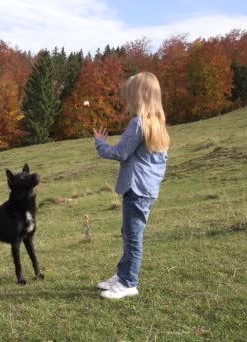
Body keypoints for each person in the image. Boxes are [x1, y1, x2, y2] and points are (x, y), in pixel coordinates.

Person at [93, 72, 170, 299]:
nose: (127, 100)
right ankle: (122, 275)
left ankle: (129, 283)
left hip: (136, 189)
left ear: (138, 96)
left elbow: (119, 153)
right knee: (129, 233)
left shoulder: (138, 124)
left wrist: (100, 144)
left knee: (133, 237)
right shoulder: (157, 124)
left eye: (129, 95)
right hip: (147, 189)